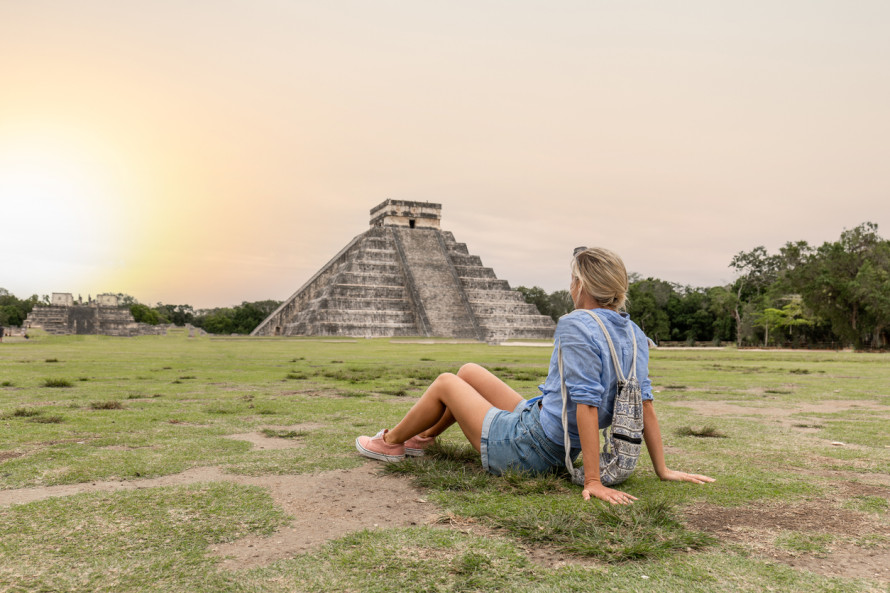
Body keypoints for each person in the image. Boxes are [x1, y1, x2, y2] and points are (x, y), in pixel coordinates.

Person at [356, 247, 714, 504]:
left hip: (531, 449)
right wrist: (662, 469)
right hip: (545, 427)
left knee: (447, 382)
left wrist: (592, 481)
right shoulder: (633, 333)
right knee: (468, 372)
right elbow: (644, 405)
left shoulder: (576, 324)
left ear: (581, 285)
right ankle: (425, 437)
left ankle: (390, 443)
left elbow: (586, 405)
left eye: (572, 280)